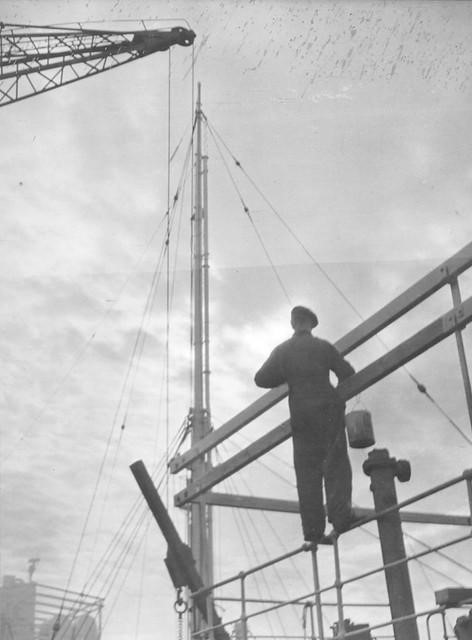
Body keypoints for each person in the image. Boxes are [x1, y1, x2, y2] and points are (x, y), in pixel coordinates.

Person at [254, 305, 355, 543]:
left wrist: (288, 374)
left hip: (301, 415)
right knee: (336, 464)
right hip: (328, 412)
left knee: (307, 472)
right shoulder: (322, 347)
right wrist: (336, 395)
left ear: (293, 324)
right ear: (310, 324)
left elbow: (261, 378)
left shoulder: (283, 351)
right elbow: (347, 372)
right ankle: (341, 517)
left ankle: (313, 531)